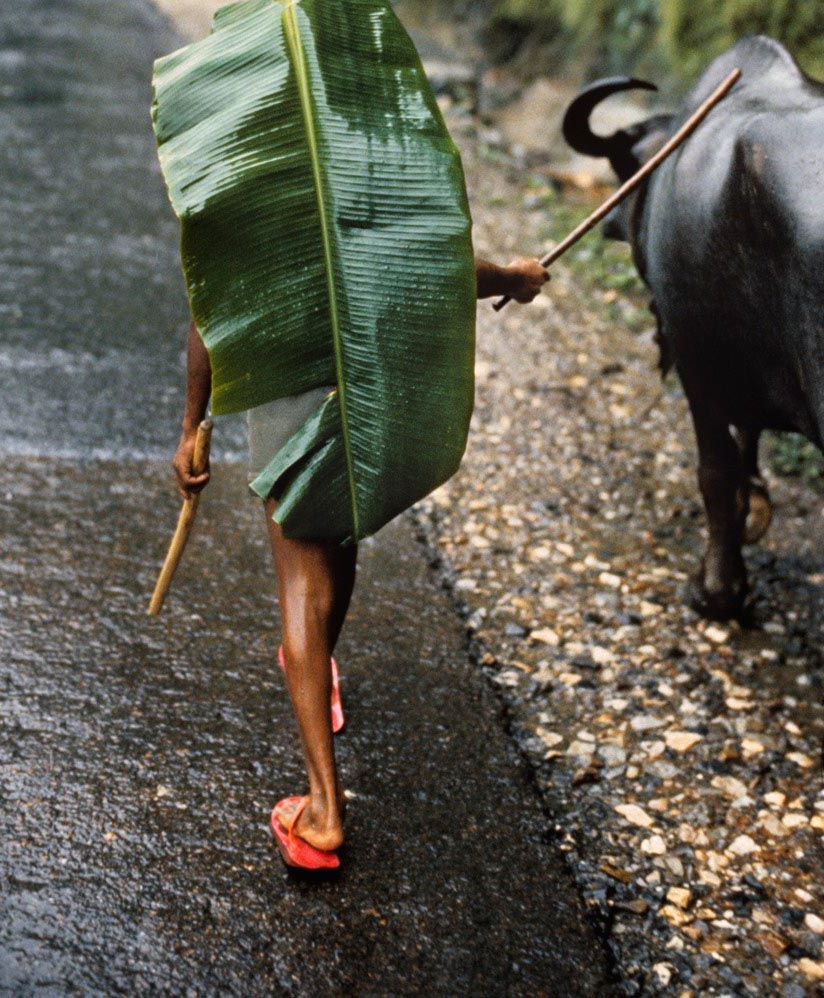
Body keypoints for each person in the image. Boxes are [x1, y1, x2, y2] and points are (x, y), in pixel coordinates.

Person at [171, 253, 549, 868]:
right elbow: (431, 258)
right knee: (337, 551)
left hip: (289, 399)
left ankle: (322, 812)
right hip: (369, 399)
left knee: (300, 587)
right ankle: (317, 661)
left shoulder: (247, 173)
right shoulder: (363, 159)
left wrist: (192, 424)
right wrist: (512, 277)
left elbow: (206, 313)